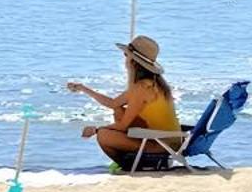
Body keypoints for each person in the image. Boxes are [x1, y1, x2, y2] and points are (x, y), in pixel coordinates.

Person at [66, 34, 180, 171]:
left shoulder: (142, 88)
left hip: (161, 144)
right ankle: (137, 162)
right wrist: (83, 89)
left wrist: (96, 130)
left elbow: (123, 125)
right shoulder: (152, 83)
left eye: (126, 55)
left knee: (104, 136)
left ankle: (132, 166)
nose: (124, 59)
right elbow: (114, 103)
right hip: (168, 140)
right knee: (118, 110)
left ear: (134, 62)